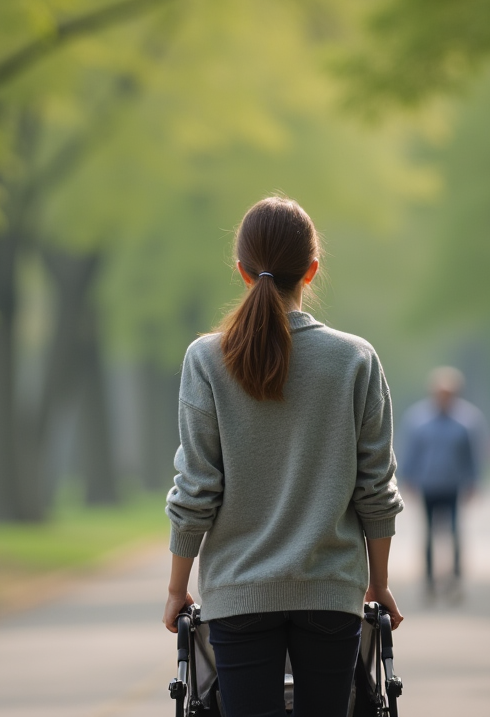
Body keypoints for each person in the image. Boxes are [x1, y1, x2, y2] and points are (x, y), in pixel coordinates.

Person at [161, 196, 404, 717]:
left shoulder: (206, 359)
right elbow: (376, 488)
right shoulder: (355, 359)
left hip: (238, 594)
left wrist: (177, 589)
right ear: (312, 270)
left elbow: (196, 489)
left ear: (242, 271)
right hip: (331, 593)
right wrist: (378, 585)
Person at [398, 367, 487, 601]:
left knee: (455, 533)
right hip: (427, 484)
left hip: (454, 485)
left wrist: (474, 482)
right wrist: (407, 479)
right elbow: (411, 452)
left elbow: (473, 455)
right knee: (427, 535)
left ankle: (455, 578)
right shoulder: (418, 419)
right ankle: (428, 581)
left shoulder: (467, 420)